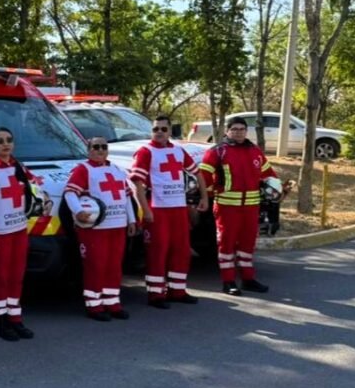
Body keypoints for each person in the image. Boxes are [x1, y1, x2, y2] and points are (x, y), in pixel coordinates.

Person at [130, 116, 209, 307]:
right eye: (156, 128)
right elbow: (137, 183)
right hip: (157, 209)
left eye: (163, 129)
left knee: (181, 250)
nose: (159, 132)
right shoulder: (145, 151)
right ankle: (156, 294)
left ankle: (178, 290)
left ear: (169, 131)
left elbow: (197, 173)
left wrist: (204, 197)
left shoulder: (178, 150)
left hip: (178, 209)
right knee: (158, 251)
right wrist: (145, 208)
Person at [0, 126, 47, 341]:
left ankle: (16, 318)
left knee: (17, 276)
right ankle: (2, 320)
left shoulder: (19, 167)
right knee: (1, 276)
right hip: (1, 232)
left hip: (19, 230)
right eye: (0, 141)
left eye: (9, 140)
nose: (6, 144)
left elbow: (35, 188)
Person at [199, 115, 277, 296]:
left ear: (246, 131)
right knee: (226, 245)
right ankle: (228, 281)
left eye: (241, 129)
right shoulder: (217, 152)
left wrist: (277, 190)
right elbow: (203, 178)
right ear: (227, 131)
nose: (238, 133)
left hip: (251, 206)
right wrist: (206, 197)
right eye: (234, 129)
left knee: (248, 244)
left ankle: (248, 279)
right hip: (227, 207)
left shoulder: (255, 151)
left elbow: (269, 175)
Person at [63, 136, 138, 321]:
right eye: (96, 147)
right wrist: (78, 210)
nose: (100, 150)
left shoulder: (116, 170)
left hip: (118, 226)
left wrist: (132, 220)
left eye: (104, 147)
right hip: (95, 229)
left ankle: (113, 303)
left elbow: (127, 197)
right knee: (95, 266)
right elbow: (70, 193)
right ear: (88, 150)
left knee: (114, 266)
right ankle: (94, 306)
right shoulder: (83, 170)